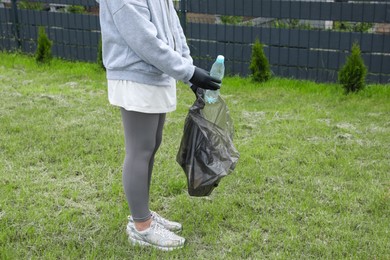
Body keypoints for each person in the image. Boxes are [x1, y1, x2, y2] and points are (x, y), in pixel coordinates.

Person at [97, 0, 221, 251]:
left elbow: (174, 27)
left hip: (157, 74)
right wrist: (188, 72)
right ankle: (141, 226)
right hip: (135, 75)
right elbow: (144, 40)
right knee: (140, 150)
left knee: (152, 145)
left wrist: (189, 71)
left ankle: (142, 214)